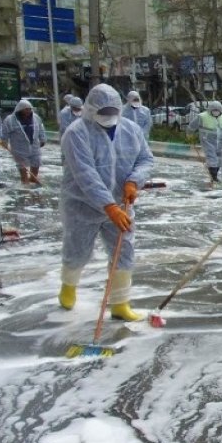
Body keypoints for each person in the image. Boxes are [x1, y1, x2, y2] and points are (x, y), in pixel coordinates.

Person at [57, 84, 154, 320]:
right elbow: (85, 174)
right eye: (104, 112)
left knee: (124, 251)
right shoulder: (76, 133)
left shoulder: (130, 129)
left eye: (113, 112)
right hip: (82, 204)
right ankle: (68, 287)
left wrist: (134, 181)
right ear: (90, 109)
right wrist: (108, 206)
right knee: (78, 250)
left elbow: (146, 159)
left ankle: (120, 304)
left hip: (122, 204)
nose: (109, 117)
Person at [1, 99, 46, 186]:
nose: (28, 111)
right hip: (19, 147)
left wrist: (43, 139)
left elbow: (40, 128)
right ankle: (24, 180)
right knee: (22, 165)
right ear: (20, 109)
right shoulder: (10, 120)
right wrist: (4, 141)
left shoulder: (36, 118)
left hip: (34, 145)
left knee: (36, 162)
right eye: (26, 109)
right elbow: (5, 132)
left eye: (30, 109)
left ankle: (33, 178)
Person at [190, 100, 222, 185]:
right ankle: (214, 177)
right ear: (210, 110)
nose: (216, 112)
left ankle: (214, 175)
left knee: (219, 159)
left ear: (220, 110)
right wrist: (190, 134)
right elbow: (192, 126)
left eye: (217, 110)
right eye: (214, 110)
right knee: (212, 158)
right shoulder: (202, 117)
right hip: (208, 141)